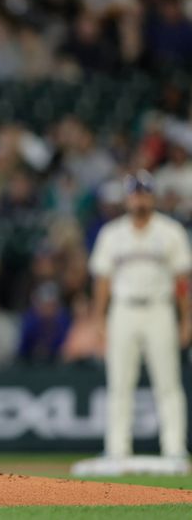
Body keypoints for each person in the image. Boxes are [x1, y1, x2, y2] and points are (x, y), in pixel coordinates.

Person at [90, 170, 191, 461]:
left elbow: (182, 281)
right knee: (119, 383)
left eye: (144, 192)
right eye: (134, 193)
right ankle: (117, 448)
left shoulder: (170, 231)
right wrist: (99, 318)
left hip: (160, 309)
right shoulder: (112, 233)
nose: (139, 198)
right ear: (127, 198)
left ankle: (174, 448)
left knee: (168, 383)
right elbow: (102, 281)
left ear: (152, 196)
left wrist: (186, 319)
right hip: (123, 310)